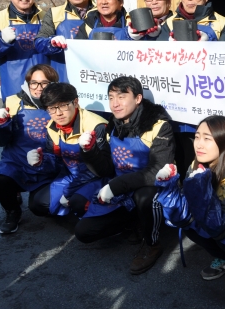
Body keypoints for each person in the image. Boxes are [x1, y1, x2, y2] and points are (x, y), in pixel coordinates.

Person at [75, 76, 175, 275]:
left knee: (144, 197)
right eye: (111, 97)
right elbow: (106, 169)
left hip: (152, 186)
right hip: (122, 188)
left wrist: (117, 185)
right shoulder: (113, 124)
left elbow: (157, 171)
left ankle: (152, 243)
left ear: (138, 99)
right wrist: (89, 151)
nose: (115, 103)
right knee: (83, 230)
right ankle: (133, 222)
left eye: (121, 96)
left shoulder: (159, 126)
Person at [167, 116, 225, 295]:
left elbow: (223, 227)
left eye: (207, 138)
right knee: (186, 222)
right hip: (217, 220)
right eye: (197, 137)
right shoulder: (199, 162)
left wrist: (201, 191)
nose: (199, 144)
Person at [0, 64, 60, 234]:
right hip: (16, 164)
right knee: (1, 180)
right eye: (34, 83)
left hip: (46, 166)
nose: (38, 88)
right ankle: (13, 211)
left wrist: (45, 160)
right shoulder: (13, 102)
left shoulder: (60, 104)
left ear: (53, 84)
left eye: (44, 83)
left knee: (44, 208)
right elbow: (0, 141)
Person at [26, 83, 112, 219]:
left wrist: (71, 190)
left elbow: (105, 169)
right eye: (52, 108)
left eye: (63, 105)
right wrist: (41, 161)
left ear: (76, 102)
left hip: (96, 177)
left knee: (78, 203)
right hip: (71, 175)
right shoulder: (52, 127)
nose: (58, 113)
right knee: (38, 204)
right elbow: (57, 162)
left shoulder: (97, 126)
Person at [34, 0, 95, 82]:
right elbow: (39, 41)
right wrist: (51, 43)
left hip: (95, 77)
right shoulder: (54, 13)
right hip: (64, 79)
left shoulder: (102, 12)